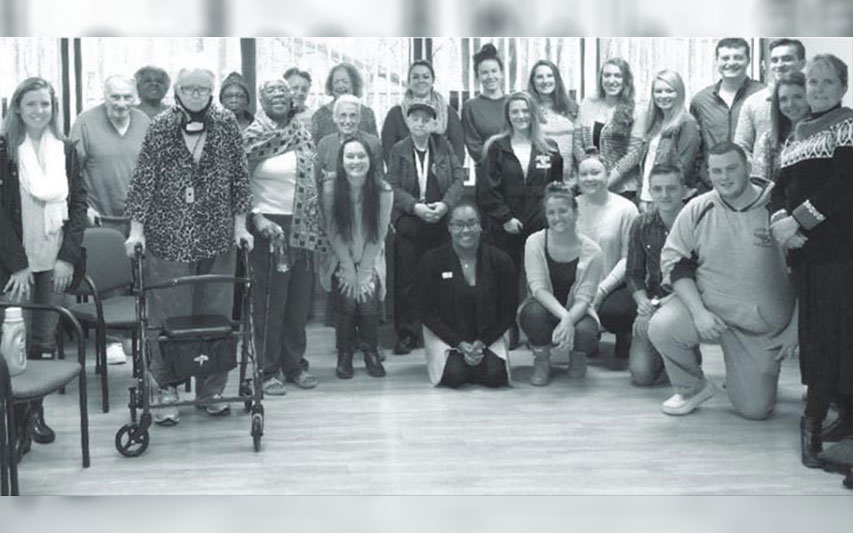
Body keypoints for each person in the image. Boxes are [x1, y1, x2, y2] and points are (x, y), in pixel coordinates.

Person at [124, 65, 254, 426]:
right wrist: (136, 232)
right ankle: (167, 387)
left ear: (211, 91)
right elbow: (143, 180)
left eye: (202, 88)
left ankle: (211, 390)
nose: (196, 94)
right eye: (189, 88)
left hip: (217, 236)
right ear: (177, 90)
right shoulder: (162, 125)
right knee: (168, 318)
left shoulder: (226, 123)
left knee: (216, 313)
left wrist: (241, 227)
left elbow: (240, 180)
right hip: (168, 237)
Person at [648, 142, 796, 420]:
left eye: (731, 168)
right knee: (660, 326)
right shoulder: (698, 208)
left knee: (754, 410)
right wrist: (698, 312)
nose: (724, 177)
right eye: (716, 171)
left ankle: (746, 374)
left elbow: (809, 271)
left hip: (759, 327)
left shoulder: (778, 206)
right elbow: (675, 262)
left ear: (748, 168)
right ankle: (693, 388)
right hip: (710, 311)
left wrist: (796, 327)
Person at [770, 54, 853, 467]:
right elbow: (780, 188)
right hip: (807, 255)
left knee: (838, 340)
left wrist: (799, 221)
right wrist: (781, 221)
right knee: (818, 340)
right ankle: (829, 419)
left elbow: (845, 186)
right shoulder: (796, 135)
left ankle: (815, 422)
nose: (818, 90)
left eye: (826, 83)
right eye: (813, 82)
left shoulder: (849, 126)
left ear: (842, 87)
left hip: (840, 253)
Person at [0, 77, 87, 455]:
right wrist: (16, 266)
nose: (39, 111)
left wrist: (67, 256)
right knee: (12, 346)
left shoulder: (65, 149)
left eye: (46, 104)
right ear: (17, 108)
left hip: (54, 263)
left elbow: (80, 205)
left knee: (42, 341)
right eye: (31, 104)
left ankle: (34, 416)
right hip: (13, 266)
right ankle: (14, 420)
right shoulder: (4, 150)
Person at [243, 78, 325, 396]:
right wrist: (257, 217)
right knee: (269, 302)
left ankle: (294, 366)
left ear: (292, 101)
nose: (279, 100)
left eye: (283, 96)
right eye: (271, 96)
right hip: (266, 226)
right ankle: (266, 370)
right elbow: (238, 183)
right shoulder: (252, 137)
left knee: (297, 301)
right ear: (262, 102)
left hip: (302, 224)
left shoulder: (303, 133)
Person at [69, 74, 150, 365]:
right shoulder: (86, 122)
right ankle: (112, 341)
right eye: (115, 97)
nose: (121, 103)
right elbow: (70, 170)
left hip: (140, 216)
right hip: (100, 216)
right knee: (110, 281)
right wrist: (84, 207)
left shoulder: (143, 122)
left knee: (141, 276)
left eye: (127, 97)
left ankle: (136, 336)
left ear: (134, 97)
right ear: (104, 95)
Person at [386, 102, 465, 355]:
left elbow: (457, 178)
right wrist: (414, 207)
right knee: (407, 279)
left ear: (433, 124)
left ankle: (442, 331)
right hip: (410, 221)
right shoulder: (399, 150)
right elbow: (393, 186)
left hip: (440, 219)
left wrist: (445, 205)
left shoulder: (444, 146)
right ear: (408, 122)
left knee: (443, 277)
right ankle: (407, 334)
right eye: (415, 118)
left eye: (426, 119)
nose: (420, 123)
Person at [415, 201, 517, 388]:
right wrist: (459, 344)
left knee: (494, 376)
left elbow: (508, 312)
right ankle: (465, 363)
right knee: (455, 376)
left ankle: (475, 362)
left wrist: (482, 343)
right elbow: (426, 312)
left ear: (481, 226)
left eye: (471, 223)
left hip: (487, 337)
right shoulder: (431, 261)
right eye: (459, 224)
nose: (466, 230)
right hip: (447, 337)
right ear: (449, 228)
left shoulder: (501, 261)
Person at [321, 137, 393, 379]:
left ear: (370, 160)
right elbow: (333, 231)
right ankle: (345, 354)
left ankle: (371, 351)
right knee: (348, 296)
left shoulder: (383, 190)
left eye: (361, 156)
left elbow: (379, 234)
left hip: (370, 255)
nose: (355, 161)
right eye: (349, 156)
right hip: (339, 254)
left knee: (367, 296)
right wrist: (348, 267)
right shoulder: (331, 188)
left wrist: (363, 271)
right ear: (341, 161)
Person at [518, 183, 603, 386]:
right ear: (546, 216)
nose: (557, 217)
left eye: (563, 211)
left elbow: (584, 299)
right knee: (533, 314)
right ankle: (542, 360)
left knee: (586, 331)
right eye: (551, 213)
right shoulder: (534, 242)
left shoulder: (593, 251)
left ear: (575, 213)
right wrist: (564, 317)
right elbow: (537, 289)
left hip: (578, 311)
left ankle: (578, 358)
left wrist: (569, 318)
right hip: (545, 308)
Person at [477, 91, 563, 273]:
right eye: (515, 112)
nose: (520, 116)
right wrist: (506, 218)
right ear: (508, 116)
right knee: (505, 279)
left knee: (539, 278)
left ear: (533, 114)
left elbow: (556, 188)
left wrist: (549, 218)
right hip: (505, 228)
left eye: (525, 111)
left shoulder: (550, 148)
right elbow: (486, 189)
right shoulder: (495, 147)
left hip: (540, 225)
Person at [625, 164, 690, 386]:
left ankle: (683, 350)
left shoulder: (698, 222)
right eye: (657, 189)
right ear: (649, 191)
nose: (664, 195)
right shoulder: (641, 224)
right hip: (655, 300)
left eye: (671, 188)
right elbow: (633, 273)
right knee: (641, 375)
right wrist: (642, 302)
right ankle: (666, 355)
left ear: (684, 189)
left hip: (693, 301)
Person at [575, 151, 639, 365]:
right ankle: (588, 335)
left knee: (617, 312)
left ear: (607, 174)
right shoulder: (571, 207)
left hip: (614, 284)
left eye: (595, 172)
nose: (589, 178)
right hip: (580, 286)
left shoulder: (626, 209)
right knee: (584, 342)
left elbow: (628, 259)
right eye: (584, 173)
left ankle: (624, 333)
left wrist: (601, 290)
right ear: (577, 178)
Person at [690, 38, 765, 191]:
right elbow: (695, 148)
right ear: (717, 61)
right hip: (711, 186)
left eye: (738, 57)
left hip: (753, 186)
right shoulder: (700, 100)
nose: (731, 63)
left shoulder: (763, 95)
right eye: (725, 58)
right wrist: (702, 177)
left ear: (748, 60)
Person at [621, 70, 701, 207]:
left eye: (669, 91)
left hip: (668, 200)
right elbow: (646, 165)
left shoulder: (687, 124)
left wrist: (661, 199)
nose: (663, 96)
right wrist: (642, 197)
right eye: (658, 91)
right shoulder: (655, 123)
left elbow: (682, 170)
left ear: (679, 93)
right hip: (646, 197)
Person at [573, 57, 644, 200]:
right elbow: (577, 142)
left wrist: (605, 183)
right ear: (601, 79)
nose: (612, 80)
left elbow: (633, 155)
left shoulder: (638, 110)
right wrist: (590, 174)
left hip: (622, 189)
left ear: (626, 80)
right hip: (589, 185)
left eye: (618, 76)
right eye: (607, 75)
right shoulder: (588, 103)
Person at [734, 38, 806, 167]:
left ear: (802, 63)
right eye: (774, 60)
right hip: (763, 181)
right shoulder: (752, 103)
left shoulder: (815, 99)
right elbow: (741, 148)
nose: (780, 64)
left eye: (787, 59)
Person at [381, 59, 465, 164]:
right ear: (409, 82)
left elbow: (459, 151)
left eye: (426, 77)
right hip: (405, 178)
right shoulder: (395, 114)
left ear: (433, 80)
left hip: (443, 177)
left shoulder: (449, 113)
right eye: (415, 77)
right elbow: (388, 152)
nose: (421, 80)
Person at [528, 59, 579, 183]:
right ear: (533, 82)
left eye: (549, 76)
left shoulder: (572, 108)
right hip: (540, 180)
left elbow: (579, 146)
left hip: (570, 182)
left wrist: (578, 178)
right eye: (540, 77)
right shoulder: (528, 110)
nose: (545, 81)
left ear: (556, 79)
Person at [752, 72, 809, 182]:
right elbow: (762, 181)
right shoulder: (768, 139)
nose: (790, 104)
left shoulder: (822, 134)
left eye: (798, 97)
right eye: (783, 99)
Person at [461, 43, 509, 163]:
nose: (490, 76)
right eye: (484, 72)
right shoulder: (470, 107)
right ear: (477, 76)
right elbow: (474, 148)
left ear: (501, 73)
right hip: (488, 173)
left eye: (494, 71)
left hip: (518, 170)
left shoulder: (514, 102)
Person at [311, 62, 379, 143]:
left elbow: (374, 144)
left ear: (354, 85)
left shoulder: (367, 114)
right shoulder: (320, 115)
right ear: (331, 86)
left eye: (345, 81)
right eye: (336, 82)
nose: (340, 86)